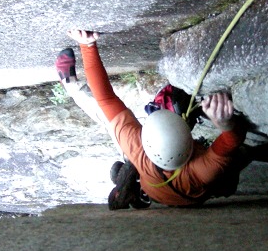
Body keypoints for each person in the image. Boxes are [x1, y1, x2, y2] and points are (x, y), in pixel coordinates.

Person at [60, 28, 247, 207]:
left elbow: (106, 100)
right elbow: (232, 141)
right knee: (107, 119)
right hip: (167, 189)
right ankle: (70, 85)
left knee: (107, 120)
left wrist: (88, 46)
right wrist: (225, 123)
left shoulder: (136, 148)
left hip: (156, 183)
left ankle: (70, 86)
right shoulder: (201, 172)